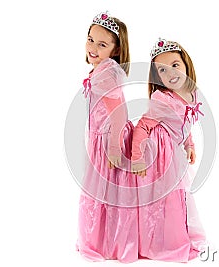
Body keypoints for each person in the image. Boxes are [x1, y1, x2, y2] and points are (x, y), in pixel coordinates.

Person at [131, 38, 207, 262]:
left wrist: (189, 144)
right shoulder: (162, 99)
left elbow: (185, 123)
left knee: (179, 195)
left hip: (174, 149)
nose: (171, 73)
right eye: (162, 70)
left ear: (185, 64)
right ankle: (163, 241)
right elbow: (143, 125)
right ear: (157, 77)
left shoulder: (192, 93)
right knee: (166, 198)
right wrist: (137, 158)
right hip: (159, 153)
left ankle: (175, 235)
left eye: (175, 65)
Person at [76, 11, 138, 263]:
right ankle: (104, 239)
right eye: (91, 40)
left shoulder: (108, 71)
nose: (93, 48)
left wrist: (113, 148)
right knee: (104, 190)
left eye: (102, 44)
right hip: (99, 137)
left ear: (115, 49)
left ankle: (108, 241)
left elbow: (119, 111)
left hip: (108, 139)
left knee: (106, 191)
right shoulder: (100, 69)